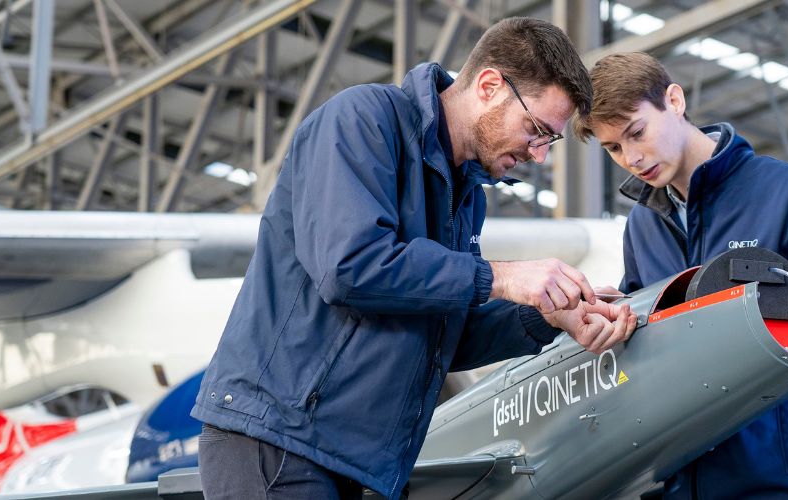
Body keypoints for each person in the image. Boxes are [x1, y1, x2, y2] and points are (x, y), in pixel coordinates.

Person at [191, 18, 638, 500]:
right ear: (489, 86)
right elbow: (351, 267)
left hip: (363, 461)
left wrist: (544, 315)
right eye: (535, 131)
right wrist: (502, 277)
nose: (539, 156)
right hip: (281, 440)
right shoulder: (363, 121)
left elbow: (439, 332)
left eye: (549, 140)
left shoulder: (467, 196)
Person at [573, 52, 788, 499]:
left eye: (637, 132)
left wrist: (771, 308)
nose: (631, 157)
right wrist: (621, 322)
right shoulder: (643, 226)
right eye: (613, 148)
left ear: (674, 101)